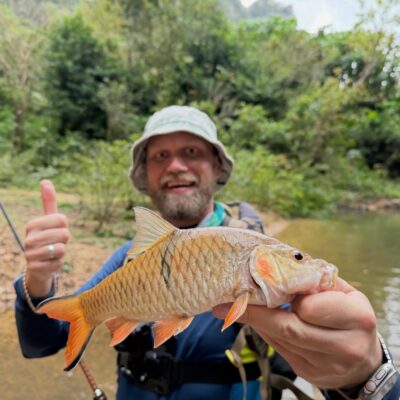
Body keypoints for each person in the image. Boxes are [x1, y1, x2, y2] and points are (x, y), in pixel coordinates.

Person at [14, 105, 400, 400]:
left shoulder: (264, 268)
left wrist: (366, 376)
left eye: (191, 151)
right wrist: (39, 280)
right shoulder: (128, 260)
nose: (176, 165)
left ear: (217, 166)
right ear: (145, 174)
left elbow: (322, 363)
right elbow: (42, 343)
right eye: (160, 156)